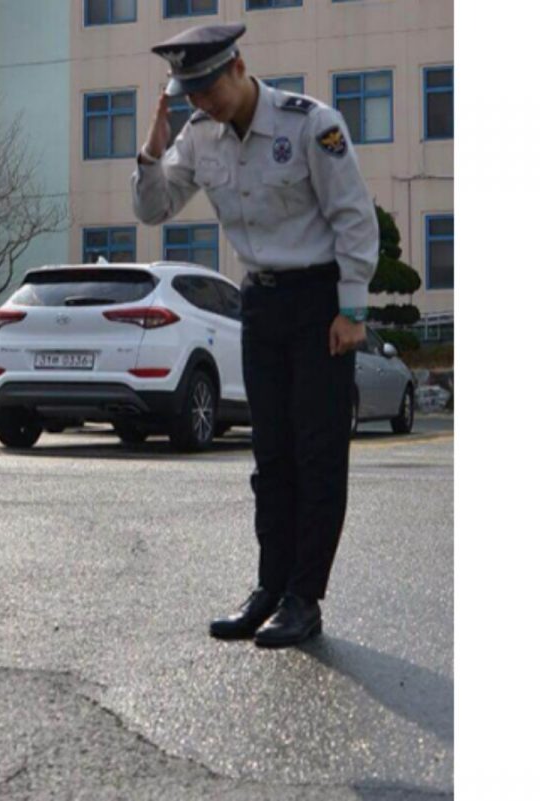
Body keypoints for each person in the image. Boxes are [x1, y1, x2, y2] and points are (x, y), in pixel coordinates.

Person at [130, 23, 378, 648]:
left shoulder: (309, 125)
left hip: (320, 302)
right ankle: (269, 587)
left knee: (317, 453)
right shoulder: (199, 137)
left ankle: (304, 596)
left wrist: (352, 308)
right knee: (270, 456)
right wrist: (150, 154)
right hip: (260, 304)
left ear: (238, 67)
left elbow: (353, 215)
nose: (203, 102)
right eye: (191, 94)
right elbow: (154, 210)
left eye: (209, 87)